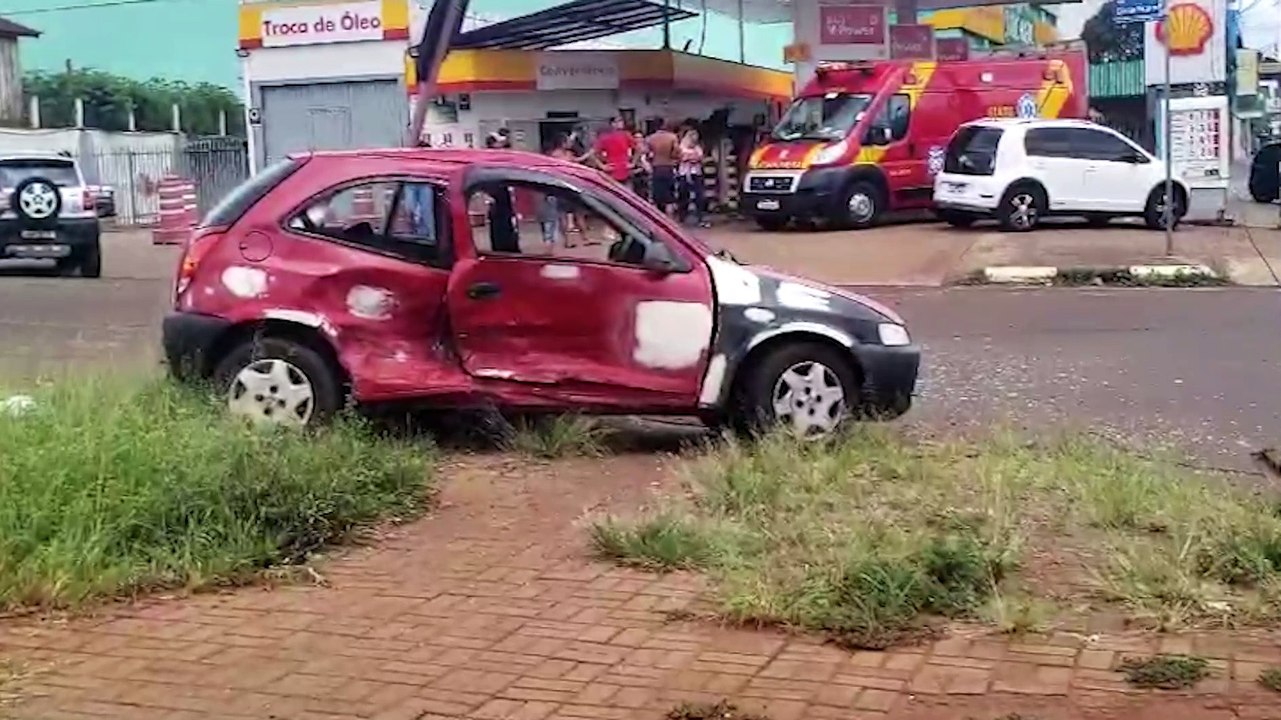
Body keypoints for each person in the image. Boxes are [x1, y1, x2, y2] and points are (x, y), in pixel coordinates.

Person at [647, 120, 681, 218]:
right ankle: (670, 220)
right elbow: (676, 152)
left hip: (656, 167)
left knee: (657, 196)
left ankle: (658, 219)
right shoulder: (672, 137)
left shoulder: (650, 138)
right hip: (668, 166)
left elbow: (646, 153)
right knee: (669, 197)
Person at [677, 128, 709, 228]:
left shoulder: (698, 148)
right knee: (683, 195)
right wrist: (690, 158)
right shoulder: (681, 147)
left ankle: (700, 217)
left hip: (696, 173)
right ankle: (682, 216)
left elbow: (700, 158)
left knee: (699, 196)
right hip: (684, 173)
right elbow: (680, 157)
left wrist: (691, 158)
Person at [592, 116, 634, 184]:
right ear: (613, 124)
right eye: (619, 121)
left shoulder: (626, 135)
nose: (622, 123)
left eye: (621, 121)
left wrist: (633, 163)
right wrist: (602, 166)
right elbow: (593, 153)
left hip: (625, 170)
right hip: (612, 171)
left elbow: (639, 148)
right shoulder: (604, 137)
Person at [630, 130, 651, 201]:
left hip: (646, 175)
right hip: (635, 175)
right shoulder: (631, 150)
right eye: (636, 137)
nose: (638, 140)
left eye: (640, 138)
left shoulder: (647, 150)